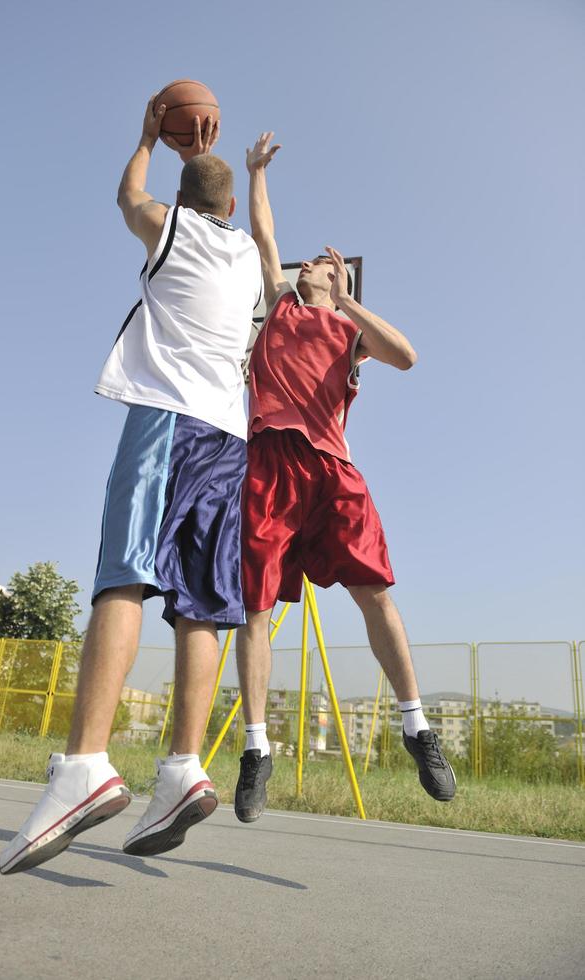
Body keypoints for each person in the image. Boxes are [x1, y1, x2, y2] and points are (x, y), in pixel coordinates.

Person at [0, 99, 263, 874]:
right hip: (230, 439)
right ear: (234, 209)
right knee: (201, 607)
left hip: (167, 424)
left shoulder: (171, 229)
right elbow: (260, 236)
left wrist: (147, 138)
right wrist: (246, 177)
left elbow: (129, 200)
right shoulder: (249, 259)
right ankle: (183, 766)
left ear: (185, 205)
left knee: (123, 576)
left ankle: (84, 764)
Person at [233, 132, 456, 823]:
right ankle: (255, 749)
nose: (308, 269)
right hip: (269, 462)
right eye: (307, 268)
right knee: (255, 609)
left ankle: (416, 727)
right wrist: (256, 174)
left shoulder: (348, 333)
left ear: (339, 282)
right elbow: (265, 235)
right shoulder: (279, 305)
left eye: (323, 270)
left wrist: (350, 299)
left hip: (331, 471)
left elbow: (409, 356)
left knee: (375, 596)